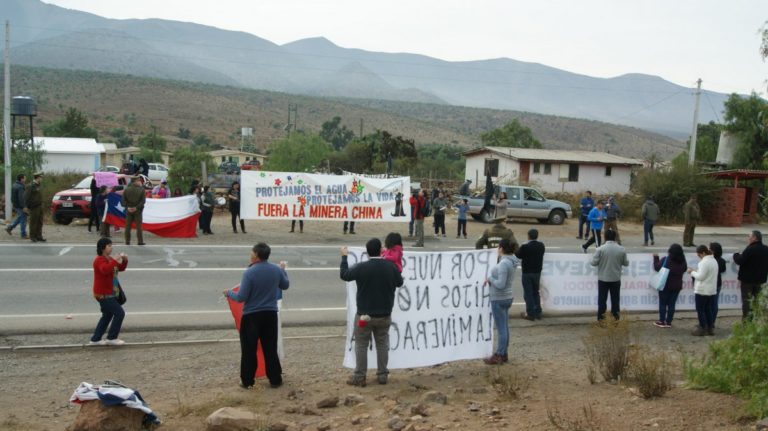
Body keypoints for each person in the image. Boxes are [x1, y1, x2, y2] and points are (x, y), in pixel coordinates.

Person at [224, 243, 289, 389]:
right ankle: (275, 379)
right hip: (270, 315)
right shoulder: (276, 270)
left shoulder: (249, 272)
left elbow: (241, 297)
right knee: (270, 349)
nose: (250, 254)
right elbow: (285, 285)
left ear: (256, 256)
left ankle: (247, 381)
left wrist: (228, 293)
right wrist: (284, 271)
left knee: (249, 350)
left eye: (251, 252)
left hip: (252, 316)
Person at [340, 239, 404, 386]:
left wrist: (344, 257)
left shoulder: (362, 267)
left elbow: (344, 275)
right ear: (381, 251)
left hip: (364, 315)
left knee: (361, 345)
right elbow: (400, 282)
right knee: (382, 344)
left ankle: (360, 376)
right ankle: (382, 375)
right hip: (384, 315)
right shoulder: (390, 267)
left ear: (367, 252)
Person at [483, 238, 520, 365]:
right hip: (506, 297)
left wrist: (490, 279)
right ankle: (503, 353)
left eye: (499, 247)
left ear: (502, 248)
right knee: (504, 327)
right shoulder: (512, 260)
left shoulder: (505, 263)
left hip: (499, 298)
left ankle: (499, 354)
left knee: (501, 329)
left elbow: (500, 284)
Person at [89, 237, 128, 346]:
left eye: (111, 245)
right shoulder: (99, 260)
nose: (111, 248)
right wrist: (115, 260)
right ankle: (112, 337)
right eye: (109, 246)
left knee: (107, 315)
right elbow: (105, 270)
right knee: (120, 313)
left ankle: (95, 339)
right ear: (103, 248)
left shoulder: (109, 259)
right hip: (103, 294)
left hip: (110, 292)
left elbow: (119, 268)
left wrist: (124, 260)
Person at [591, 229, 629, 321]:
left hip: (603, 279)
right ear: (615, 237)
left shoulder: (600, 249)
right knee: (615, 301)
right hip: (615, 279)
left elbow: (593, 263)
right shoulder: (621, 249)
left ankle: (601, 320)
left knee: (602, 301)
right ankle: (615, 320)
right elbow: (626, 263)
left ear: (605, 237)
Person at [732, 230, 768, 321]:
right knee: (756, 300)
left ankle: (747, 320)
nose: (748, 238)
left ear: (755, 238)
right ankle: (756, 319)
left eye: (749, 236)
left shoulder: (750, 249)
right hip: (760, 279)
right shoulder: (766, 249)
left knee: (746, 300)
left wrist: (736, 255)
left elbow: (740, 261)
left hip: (747, 280)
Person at [652, 244, 687, 328]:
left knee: (663, 303)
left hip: (665, 285)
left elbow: (657, 267)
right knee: (672, 304)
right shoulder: (683, 261)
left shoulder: (666, 260)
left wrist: (656, 258)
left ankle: (662, 321)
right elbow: (684, 269)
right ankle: (669, 322)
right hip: (677, 286)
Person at [687, 245, 719, 336]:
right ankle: (710, 327)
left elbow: (701, 277)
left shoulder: (704, 262)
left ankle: (702, 327)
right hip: (711, 289)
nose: (699, 257)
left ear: (703, 253)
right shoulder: (714, 260)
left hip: (702, 290)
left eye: (699, 255)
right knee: (708, 309)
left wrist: (692, 272)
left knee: (700, 309)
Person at [516, 229, 545, 321]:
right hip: (537, 272)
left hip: (527, 272)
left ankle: (530, 313)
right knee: (536, 292)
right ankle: (538, 312)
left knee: (528, 293)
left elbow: (518, 255)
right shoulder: (541, 245)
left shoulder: (525, 246)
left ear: (528, 236)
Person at [121, 175, 146, 245]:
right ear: (135, 181)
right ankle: (140, 241)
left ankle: (127, 241)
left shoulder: (126, 189)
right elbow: (143, 201)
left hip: (129, 210)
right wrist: (136, 207)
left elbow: (123, 201)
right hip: (138, 211)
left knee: (127, 227)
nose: (140, 182)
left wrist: (127, 207)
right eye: (138, 180)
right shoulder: (141, 190)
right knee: (139, 227)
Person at [24, 172, 45, 243]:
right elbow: (26, 197)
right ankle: (32, 236)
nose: (42, 179)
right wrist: (26, 206)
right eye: (41, 177)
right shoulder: (30, 186)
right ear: (38, 177)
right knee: (33, 222)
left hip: (40, 206)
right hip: (34, 207)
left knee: (40, 222)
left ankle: (39, 236)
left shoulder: (38, 185)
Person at [709, 242, 726, 327]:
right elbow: (723, 270)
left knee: (708, 304)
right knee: (714, 303)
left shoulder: (710, 260)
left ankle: (708, 321)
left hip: (710, 283)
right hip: (718, 283)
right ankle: (712, 321)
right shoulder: (722, 260)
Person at [5, 174, 27, 239]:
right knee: (23, 218)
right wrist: (24, 207)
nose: (25, 179)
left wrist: (14, 204)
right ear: (21, 179)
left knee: (20, 217)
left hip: (15, 205)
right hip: (20, 205)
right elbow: (21, 198)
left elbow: (12, 197)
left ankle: (9, 228)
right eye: (24, 178)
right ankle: (23, 234)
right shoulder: (20, 187)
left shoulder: (14, 185)